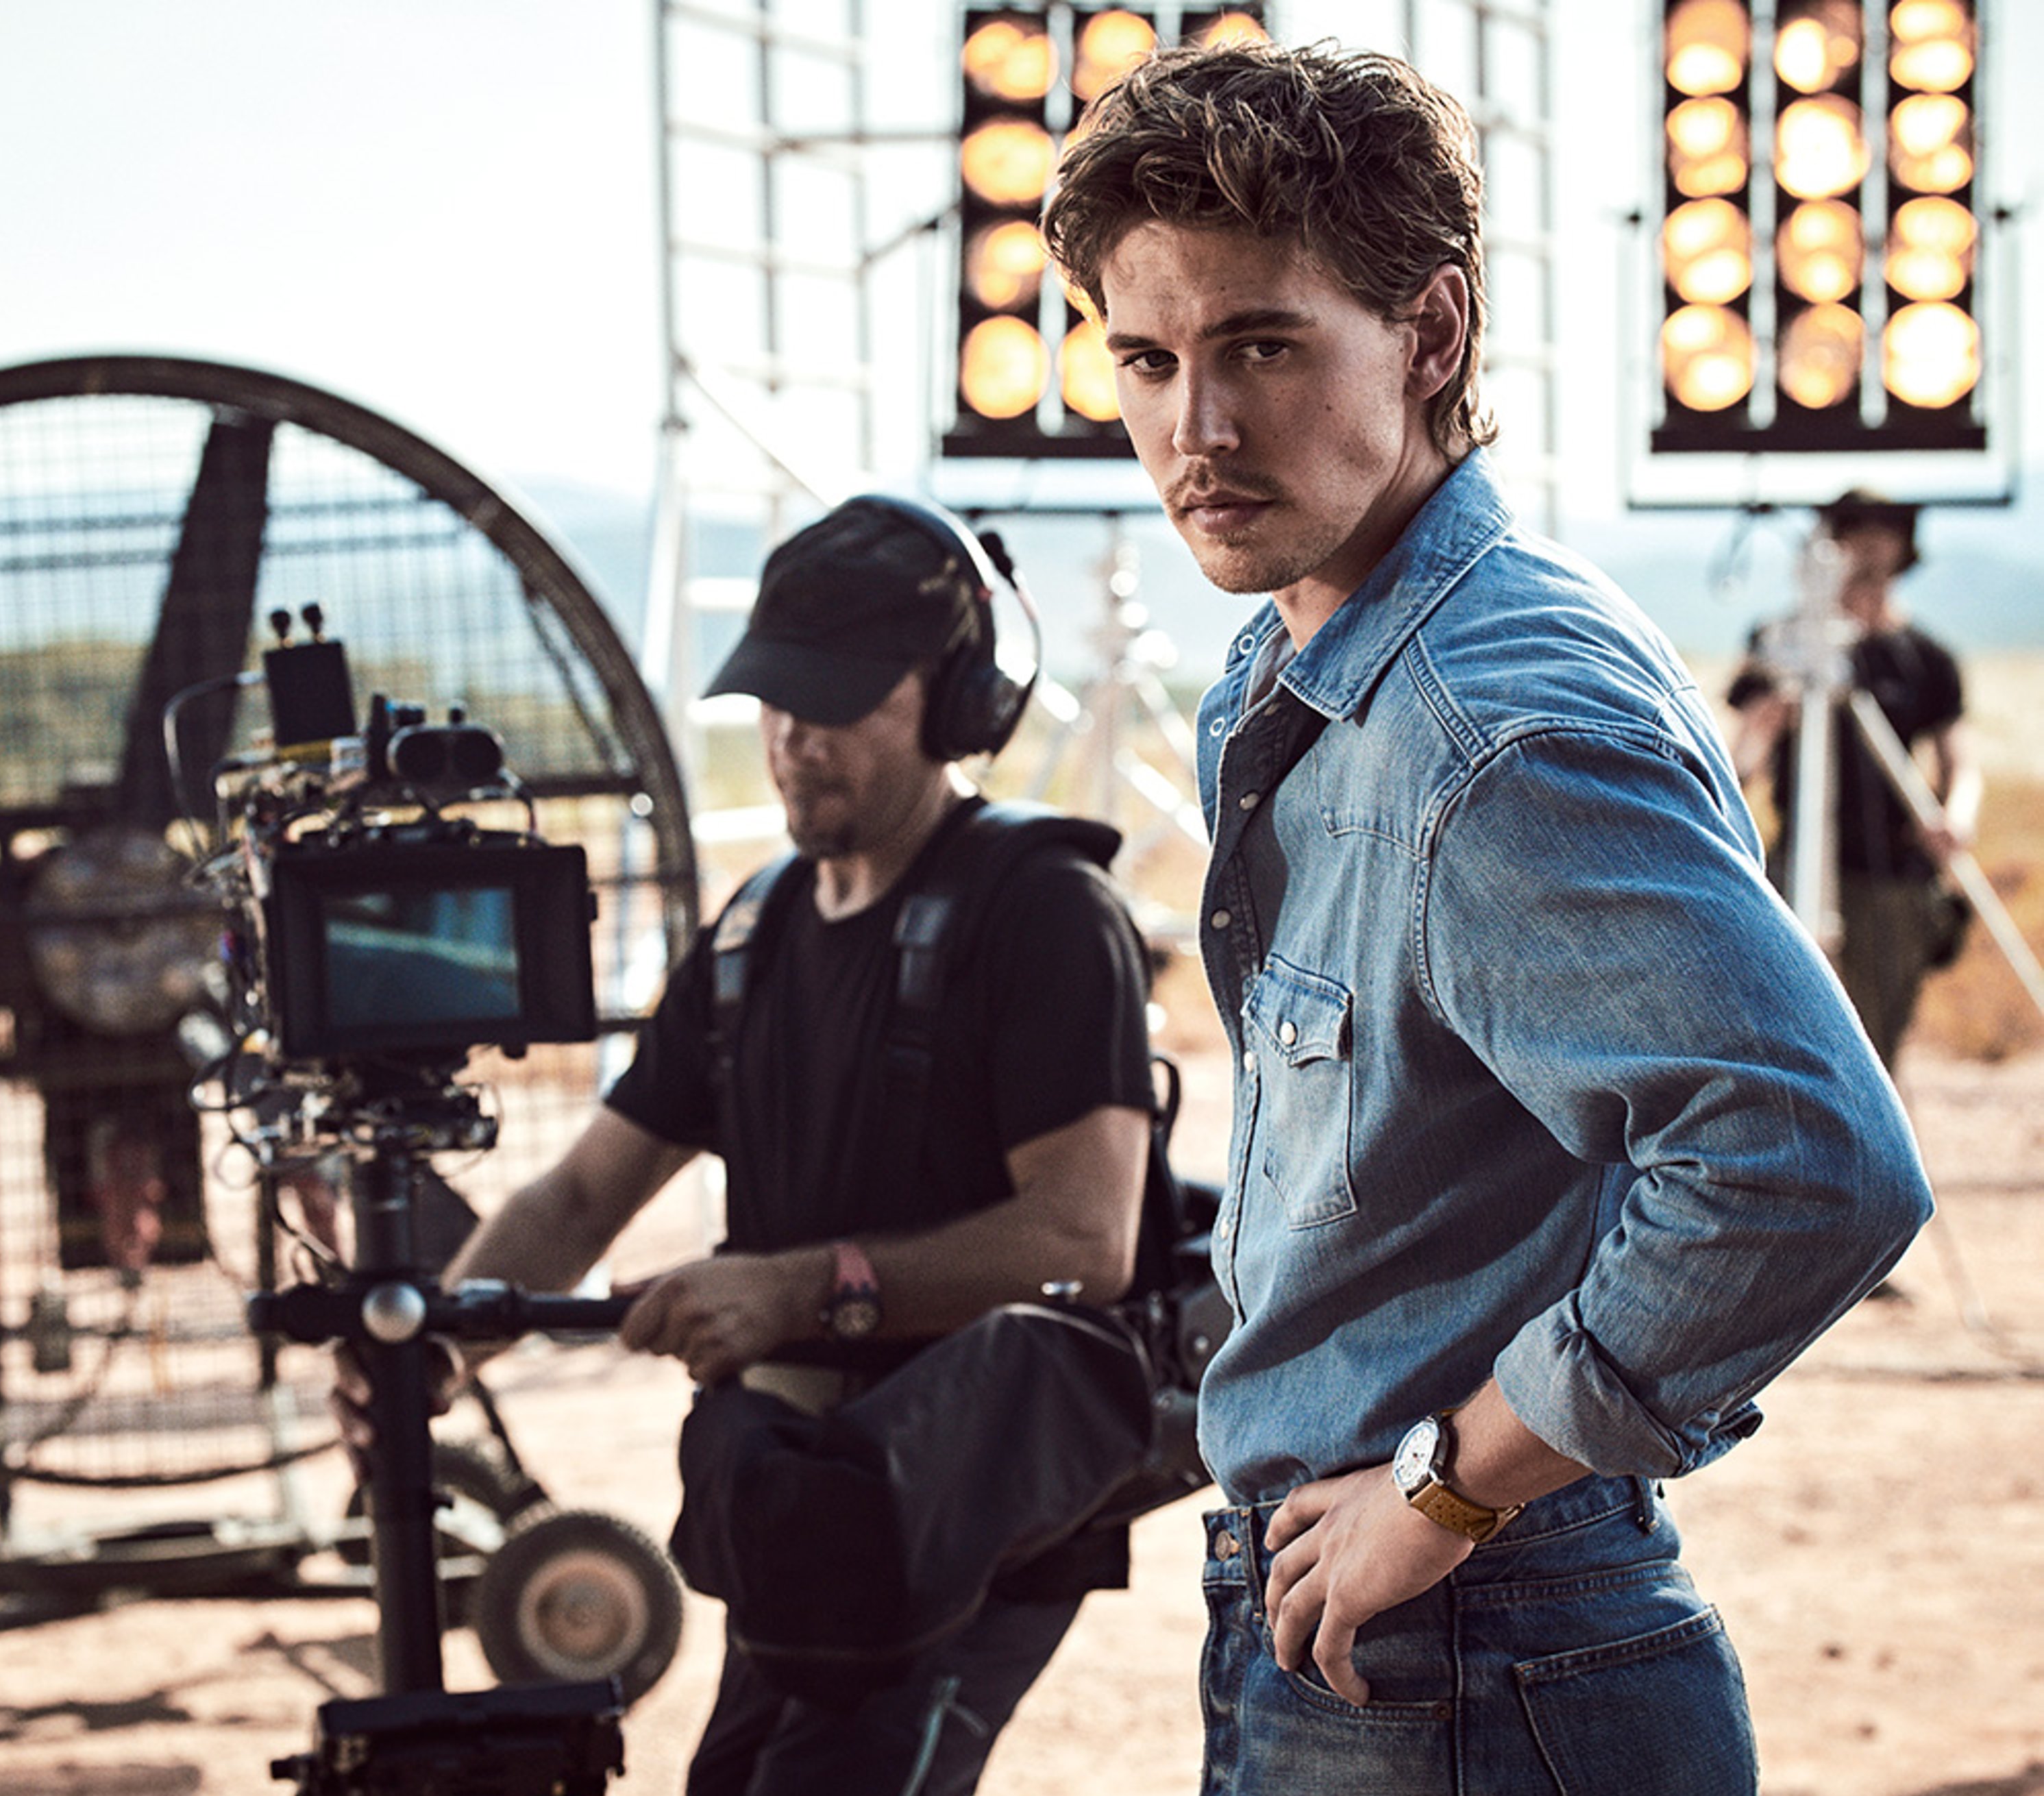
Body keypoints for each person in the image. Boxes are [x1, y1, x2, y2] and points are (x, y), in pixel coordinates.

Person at [1039, 39, 1932, 1796]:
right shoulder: (1300, 667)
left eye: (1261, 348)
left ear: (1431, 336)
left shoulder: (1489, 720)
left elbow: (1805, 1160)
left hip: (1476, 1650)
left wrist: (1445, 1486)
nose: (1192, 432)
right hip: (1383, 1625)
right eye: (1147, 361)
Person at [335, 493, 1158, 1796]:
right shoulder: (753, 936)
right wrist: (435, 1345)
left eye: (836, 703)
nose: (793, 741)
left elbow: (1085, 1235)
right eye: (776, 702)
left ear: (959, 703)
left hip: (962, 1503)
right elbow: (587, 1186)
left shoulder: (1045, 912)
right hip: (806, 1507)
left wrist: (790, 1289)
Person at [1725, 489, 1982, 1070]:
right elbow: (1743, 749)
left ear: (1902, 550)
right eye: (1852, 535)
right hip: (1802, 862)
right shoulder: (1781, 643)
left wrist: (1955, 817)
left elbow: (1958, 759)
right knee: (1791, 1035)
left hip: (1890, 877)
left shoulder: (1925, 656)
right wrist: (1760, 733)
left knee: (1873, 1050)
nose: (1866, 552)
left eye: (1880, 537)